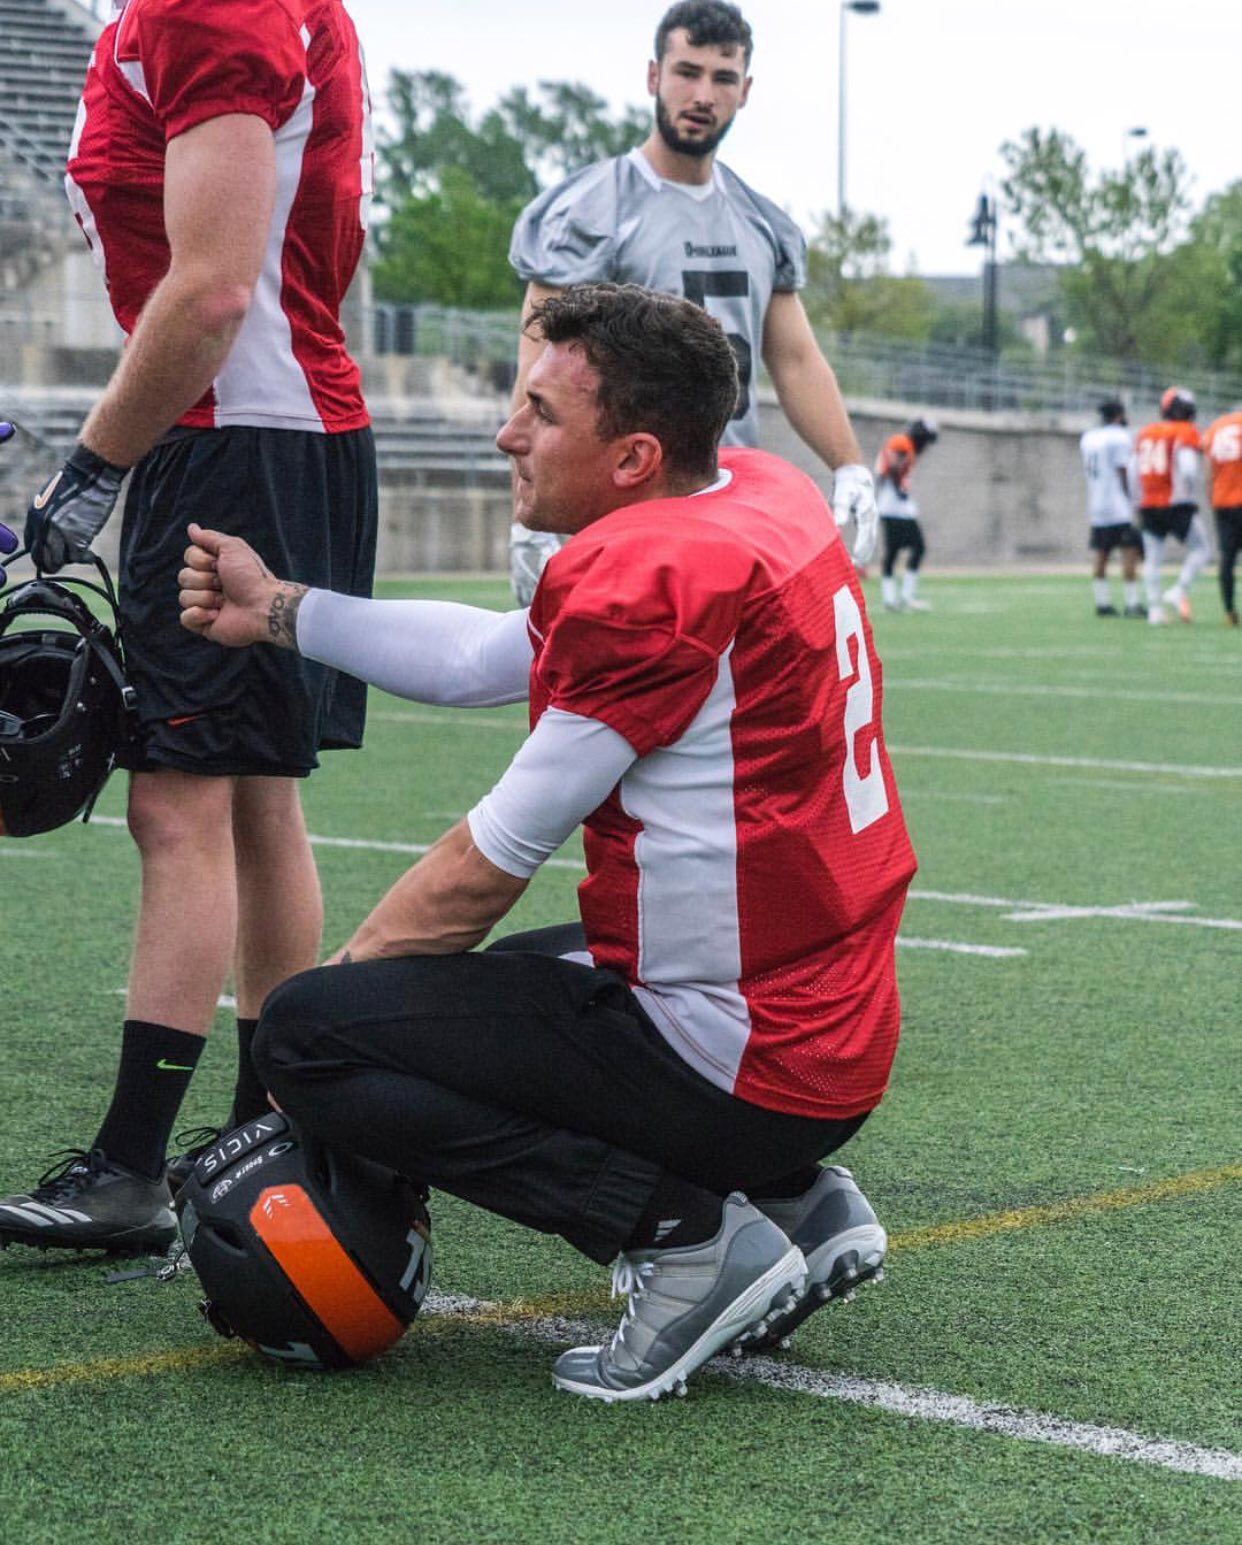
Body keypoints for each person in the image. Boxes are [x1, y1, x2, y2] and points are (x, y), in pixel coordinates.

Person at [178, 284, 916, 1402]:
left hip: (747, 1056)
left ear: (631, 458)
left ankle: (682, 1240)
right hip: (827, 1020)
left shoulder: (651, 582)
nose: (505, 432)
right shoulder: (759, 494)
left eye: (540, 412)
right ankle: (794, 1203)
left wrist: (329, 1010)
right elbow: (490, 657)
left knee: (314, 1037)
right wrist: (280, 609)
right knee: (482, 992)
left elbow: (480, 872)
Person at [0, 0, 377, 1254]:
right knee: (255, 799)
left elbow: (214, 289)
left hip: (234, 439)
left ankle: (130, 1169)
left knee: (179, 804)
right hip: (272, 430)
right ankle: (262, 1137)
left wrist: (94, 467)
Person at [505, 0, 877, 607]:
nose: (702, 93)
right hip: (623, 498)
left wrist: (850, 465)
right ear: (654, 76)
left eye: (723, 77)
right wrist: (525, 509)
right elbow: (538, 371)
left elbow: (796, 361)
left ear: (745, 90)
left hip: (730, 496)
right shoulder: (591, 209)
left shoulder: (763, 221)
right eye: (687, 71)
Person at [1133, 387, 1208, 626]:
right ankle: (1178, 590)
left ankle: (1154, 610)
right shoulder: (1186, 431)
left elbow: (1134, 470)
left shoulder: (1146, 432)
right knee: (1202, 549)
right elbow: (1188, 468)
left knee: (1153, 559)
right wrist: (1192, 491)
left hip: (1149, 503)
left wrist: (1136, 501)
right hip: (1175, 502)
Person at [1079, 399, 1144, 617]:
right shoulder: (1120, 436)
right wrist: (1132, 499)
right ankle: (1132, 603)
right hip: (1117, 504)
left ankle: (1102, 602)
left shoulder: (1089, 437)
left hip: (1097, 504)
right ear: (1119, 415)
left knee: (1101, 553)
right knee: (1129, 552)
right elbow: (1124, 470)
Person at [876, 417, 938, 612]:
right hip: (896, 508)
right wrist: (898, 487)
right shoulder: (902, 442)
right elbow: (891, 465)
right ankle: (901, 597)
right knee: (916, 547)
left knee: (896, 551)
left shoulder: (906, 445)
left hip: (893, 507)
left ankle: (893, 598)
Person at [1202, 404, 1242, 627]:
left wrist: (1211, 496)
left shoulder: (1216, 426)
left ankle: (1229, 611)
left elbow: (1208, 467)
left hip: (1223, 501)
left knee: (1227, 558)